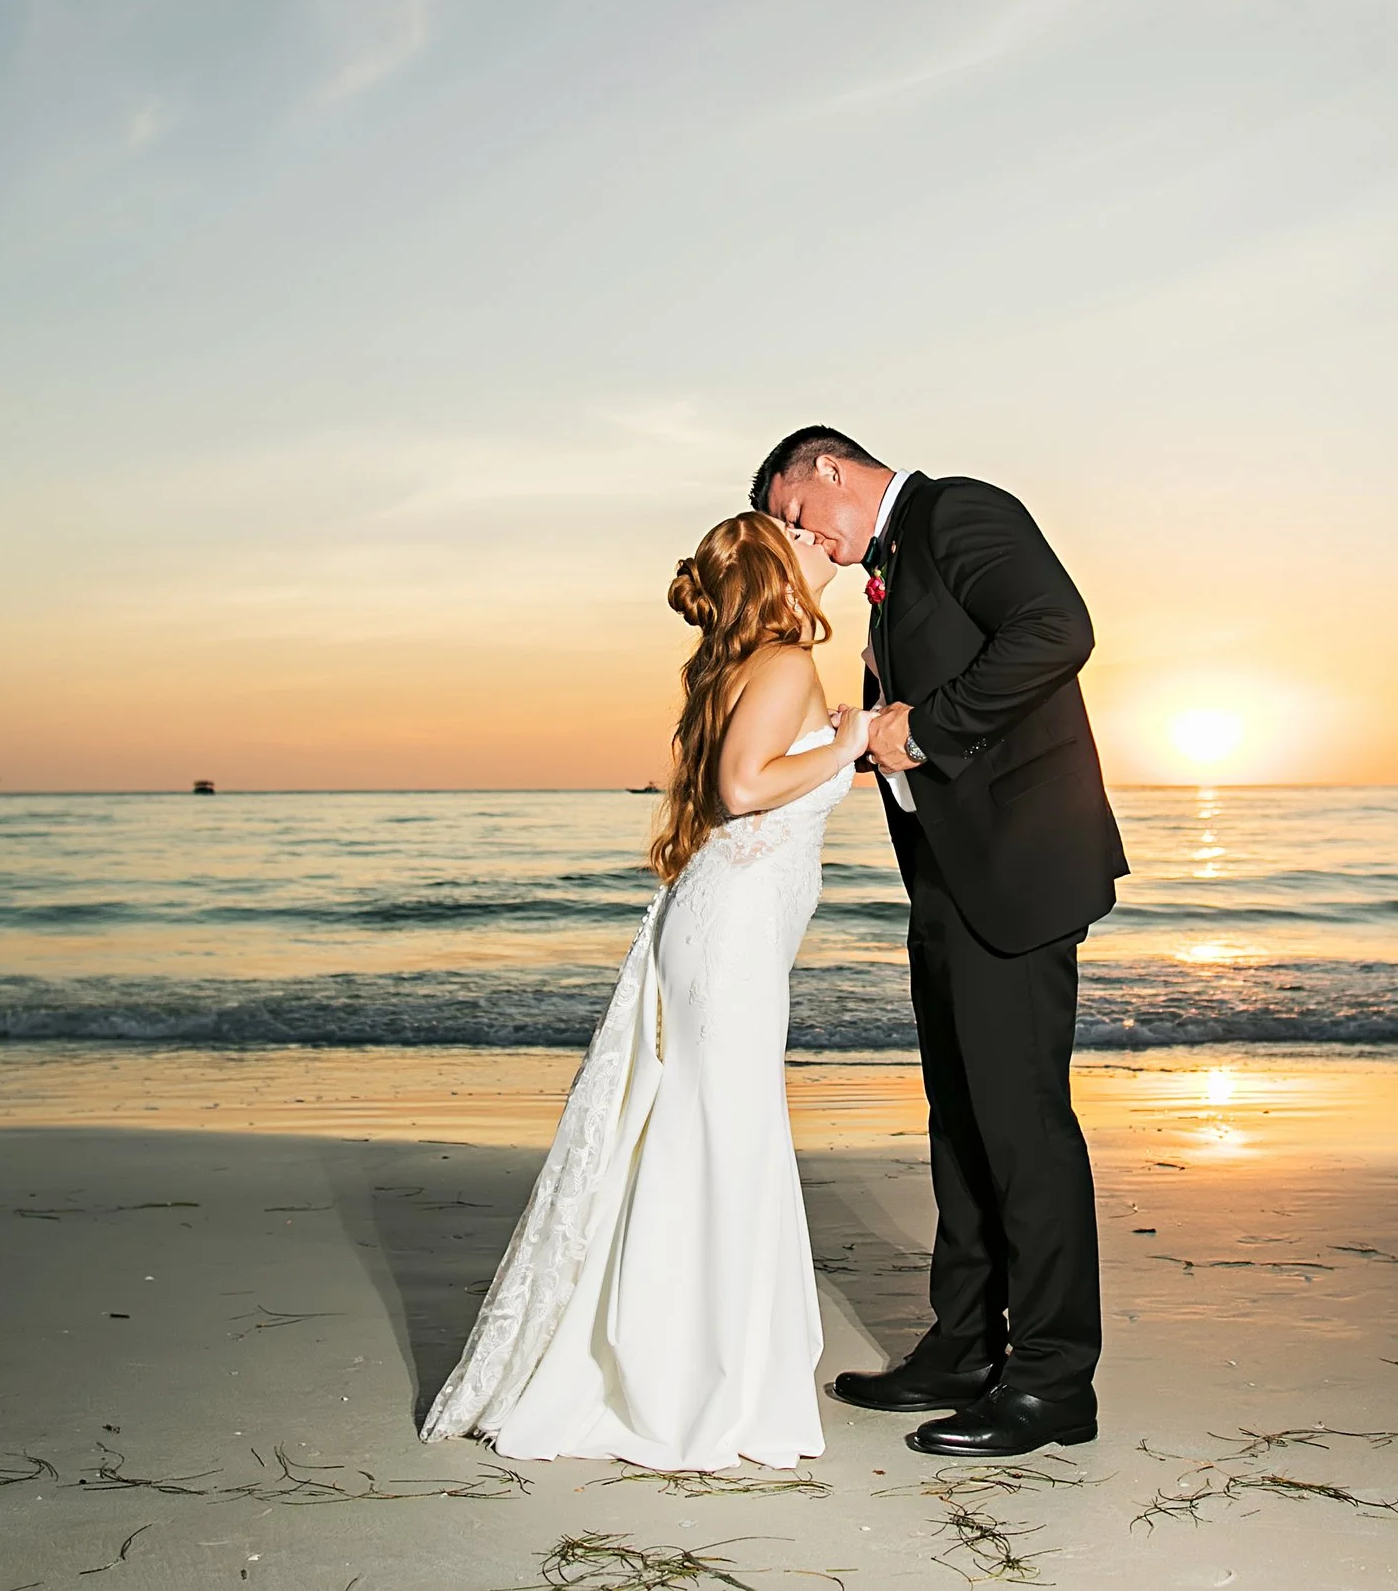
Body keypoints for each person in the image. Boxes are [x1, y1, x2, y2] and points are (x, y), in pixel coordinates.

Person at [420, 510, 872, 1471]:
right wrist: (848, 743)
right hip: (732, 938)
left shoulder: (760, 661)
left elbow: (753, 784)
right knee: (722, 1138)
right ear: (773, 570)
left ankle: (690, 1364)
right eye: (801, 536)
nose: (821, 543)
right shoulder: (786, 659)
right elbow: (746, 787)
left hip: (731, 929)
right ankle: (691, 1384)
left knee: (714, 1133)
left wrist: (837, 750)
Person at [757, 426, 1128, 1458]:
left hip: (1018, 870)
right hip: (951, 877)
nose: (809, 546)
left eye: (798, 517)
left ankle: (1053, 1381)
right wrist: (874, 737)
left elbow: (1057, 627)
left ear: (827, 468)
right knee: (959, 1121)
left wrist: (919, 729)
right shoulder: (896, 558)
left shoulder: (959, 509)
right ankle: (964, 1344)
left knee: (1022, 1127)